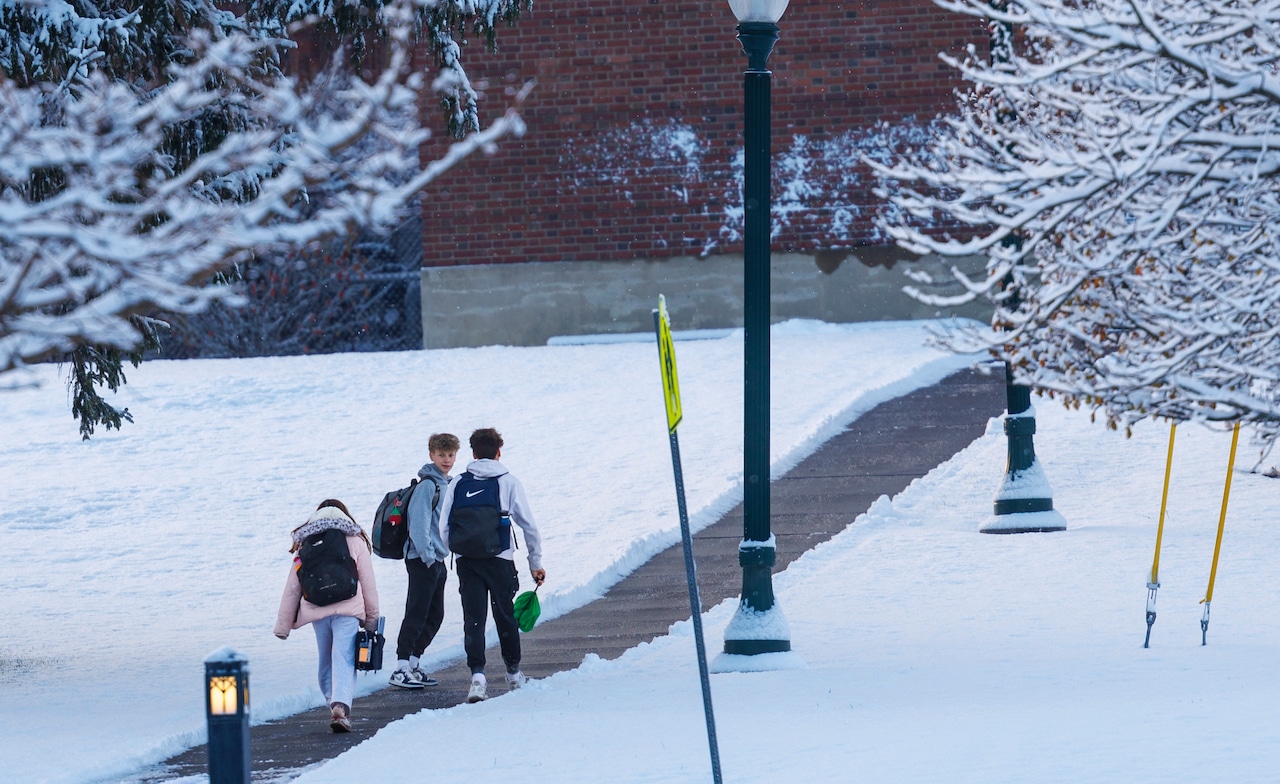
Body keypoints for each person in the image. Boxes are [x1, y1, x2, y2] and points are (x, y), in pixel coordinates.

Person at [440, 427, 546, 703]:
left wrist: (458, 551)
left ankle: (477, 679)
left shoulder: (458, 482)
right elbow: (529, 526)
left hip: (467, 562)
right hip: (500, 560)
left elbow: (443, 526)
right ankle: (513, 674)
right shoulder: (508, 481)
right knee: (505, 616)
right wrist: (535, 562)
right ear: (499, 452)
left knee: (473, 619)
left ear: (473, 453)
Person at [274, 499, 379, 733]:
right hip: (348, 610)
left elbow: (293, 586)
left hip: (317, 610)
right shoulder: (354, 540)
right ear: (344, 515)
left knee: (326, 658)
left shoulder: (305, 543)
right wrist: (371, 621)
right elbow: (368, 584)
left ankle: (332, 699)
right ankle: (340, 704)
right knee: (344, 657)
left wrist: (283, 626)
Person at [388, 432, 459, 689]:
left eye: (451, 455)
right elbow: (418, 527)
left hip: (436, 559)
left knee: (435, 614)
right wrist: (429, 556)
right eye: (442, 455)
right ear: (431, 455)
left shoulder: (446, 484)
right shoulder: (427, 486)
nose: (447, 460)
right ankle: (400, 667)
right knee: (416, 612)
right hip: (422, 559)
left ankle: (414, 664)